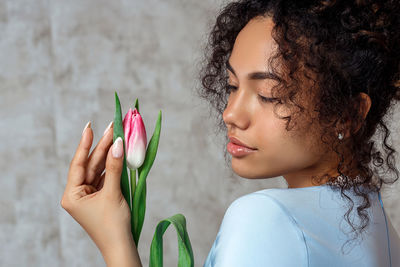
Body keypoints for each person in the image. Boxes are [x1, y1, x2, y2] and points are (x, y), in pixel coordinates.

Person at [61, 0, 400, 266]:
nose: (230, 114)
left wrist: (115, 242)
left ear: (348, 113)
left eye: (269, 95)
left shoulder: (264, 217)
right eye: (231, 85)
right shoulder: (378, 226)